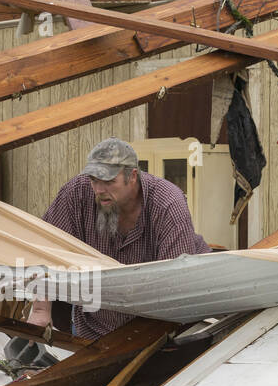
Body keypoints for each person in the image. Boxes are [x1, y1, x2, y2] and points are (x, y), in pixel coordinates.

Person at [31, 137, 210, 340]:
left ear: (132, 176)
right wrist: (40, 312)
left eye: (108, 181)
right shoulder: (77, 193)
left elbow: (175, 284)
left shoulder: (167, 203)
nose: (98, 190)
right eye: (93, 180)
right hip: (93, 328)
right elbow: (46, 249)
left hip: (158, 329)